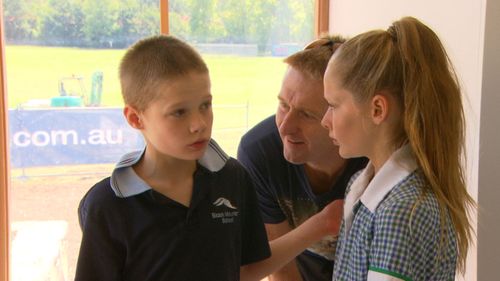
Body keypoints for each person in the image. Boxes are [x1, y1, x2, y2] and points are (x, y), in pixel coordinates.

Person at [75, 35, 342, 281]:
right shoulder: (107, 205)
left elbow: (246, 269)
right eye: (179, 112)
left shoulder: (234, 179)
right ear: (135, 118)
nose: (199, 124)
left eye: (205, 105)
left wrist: (318, 225)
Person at [321, 17, 476, 281]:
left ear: (377, 109)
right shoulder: (360, 187)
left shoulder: (402, 212)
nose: (325, 120)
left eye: (333, 105)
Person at [237, 35, 367, 281]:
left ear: (343, 117)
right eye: (283, 105)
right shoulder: (258, 153)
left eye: (307, 114)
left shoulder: (374, 156)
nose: (285, 127)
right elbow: (281, 268)